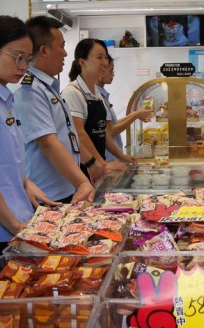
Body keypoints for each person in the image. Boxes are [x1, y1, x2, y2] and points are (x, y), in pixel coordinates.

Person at [0, 16, 61, 270]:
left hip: (17, 220)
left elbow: (8, 163)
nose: (23, 65)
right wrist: (15, 227)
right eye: (17, 57)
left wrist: (27, 185)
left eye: (28, 58)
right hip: (0, 229)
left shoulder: (3, 100)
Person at [14, 16, 98, 203]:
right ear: (44, 51)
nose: (66, 54)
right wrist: (82, 182)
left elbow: (68, 136)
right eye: (62, 46)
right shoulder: (31, 91)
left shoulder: (48, 88)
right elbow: (48, 143)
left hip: (64, 189)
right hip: (47, 197)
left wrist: (91, 164)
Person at [61, 38, 135, 177]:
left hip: (98, 165)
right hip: (84, 167)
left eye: (106, 57)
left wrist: (121, 155)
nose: (105, 63)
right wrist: (102, 163)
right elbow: (78, 134)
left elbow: (103, 132)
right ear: (82, 62)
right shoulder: (72, 92)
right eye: (99, 57)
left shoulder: (96, 93)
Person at [97, 55, 152, 161]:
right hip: (106, 158)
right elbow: (111, 131)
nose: (113, 75)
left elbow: (112, 124)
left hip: (112, 157)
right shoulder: (96, 97)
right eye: (111, 71)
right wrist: (135, 115)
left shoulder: (102, 95)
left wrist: (135, 114)